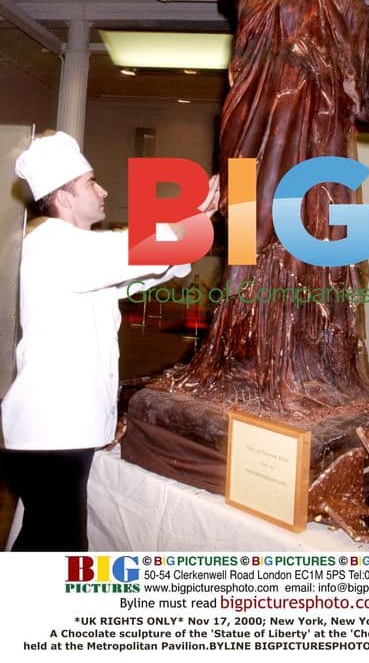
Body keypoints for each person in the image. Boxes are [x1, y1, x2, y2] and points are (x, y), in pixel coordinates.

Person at [138, 0, 369, 416]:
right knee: (244, 242)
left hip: (318, 139)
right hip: (250, 128)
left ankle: (311, 368)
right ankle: (243, 360)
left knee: (317, 246)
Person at [0, 130, 218, 550]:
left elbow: (142, 270)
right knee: (58, 545)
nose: (103, 191)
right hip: (51, 431)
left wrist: (195, 224)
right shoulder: (51, 245)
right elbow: (132, 252)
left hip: (58, 431)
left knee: (46, 537)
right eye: (90, 183)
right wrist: (195, 216)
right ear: (63, 197)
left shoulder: (74, 249)